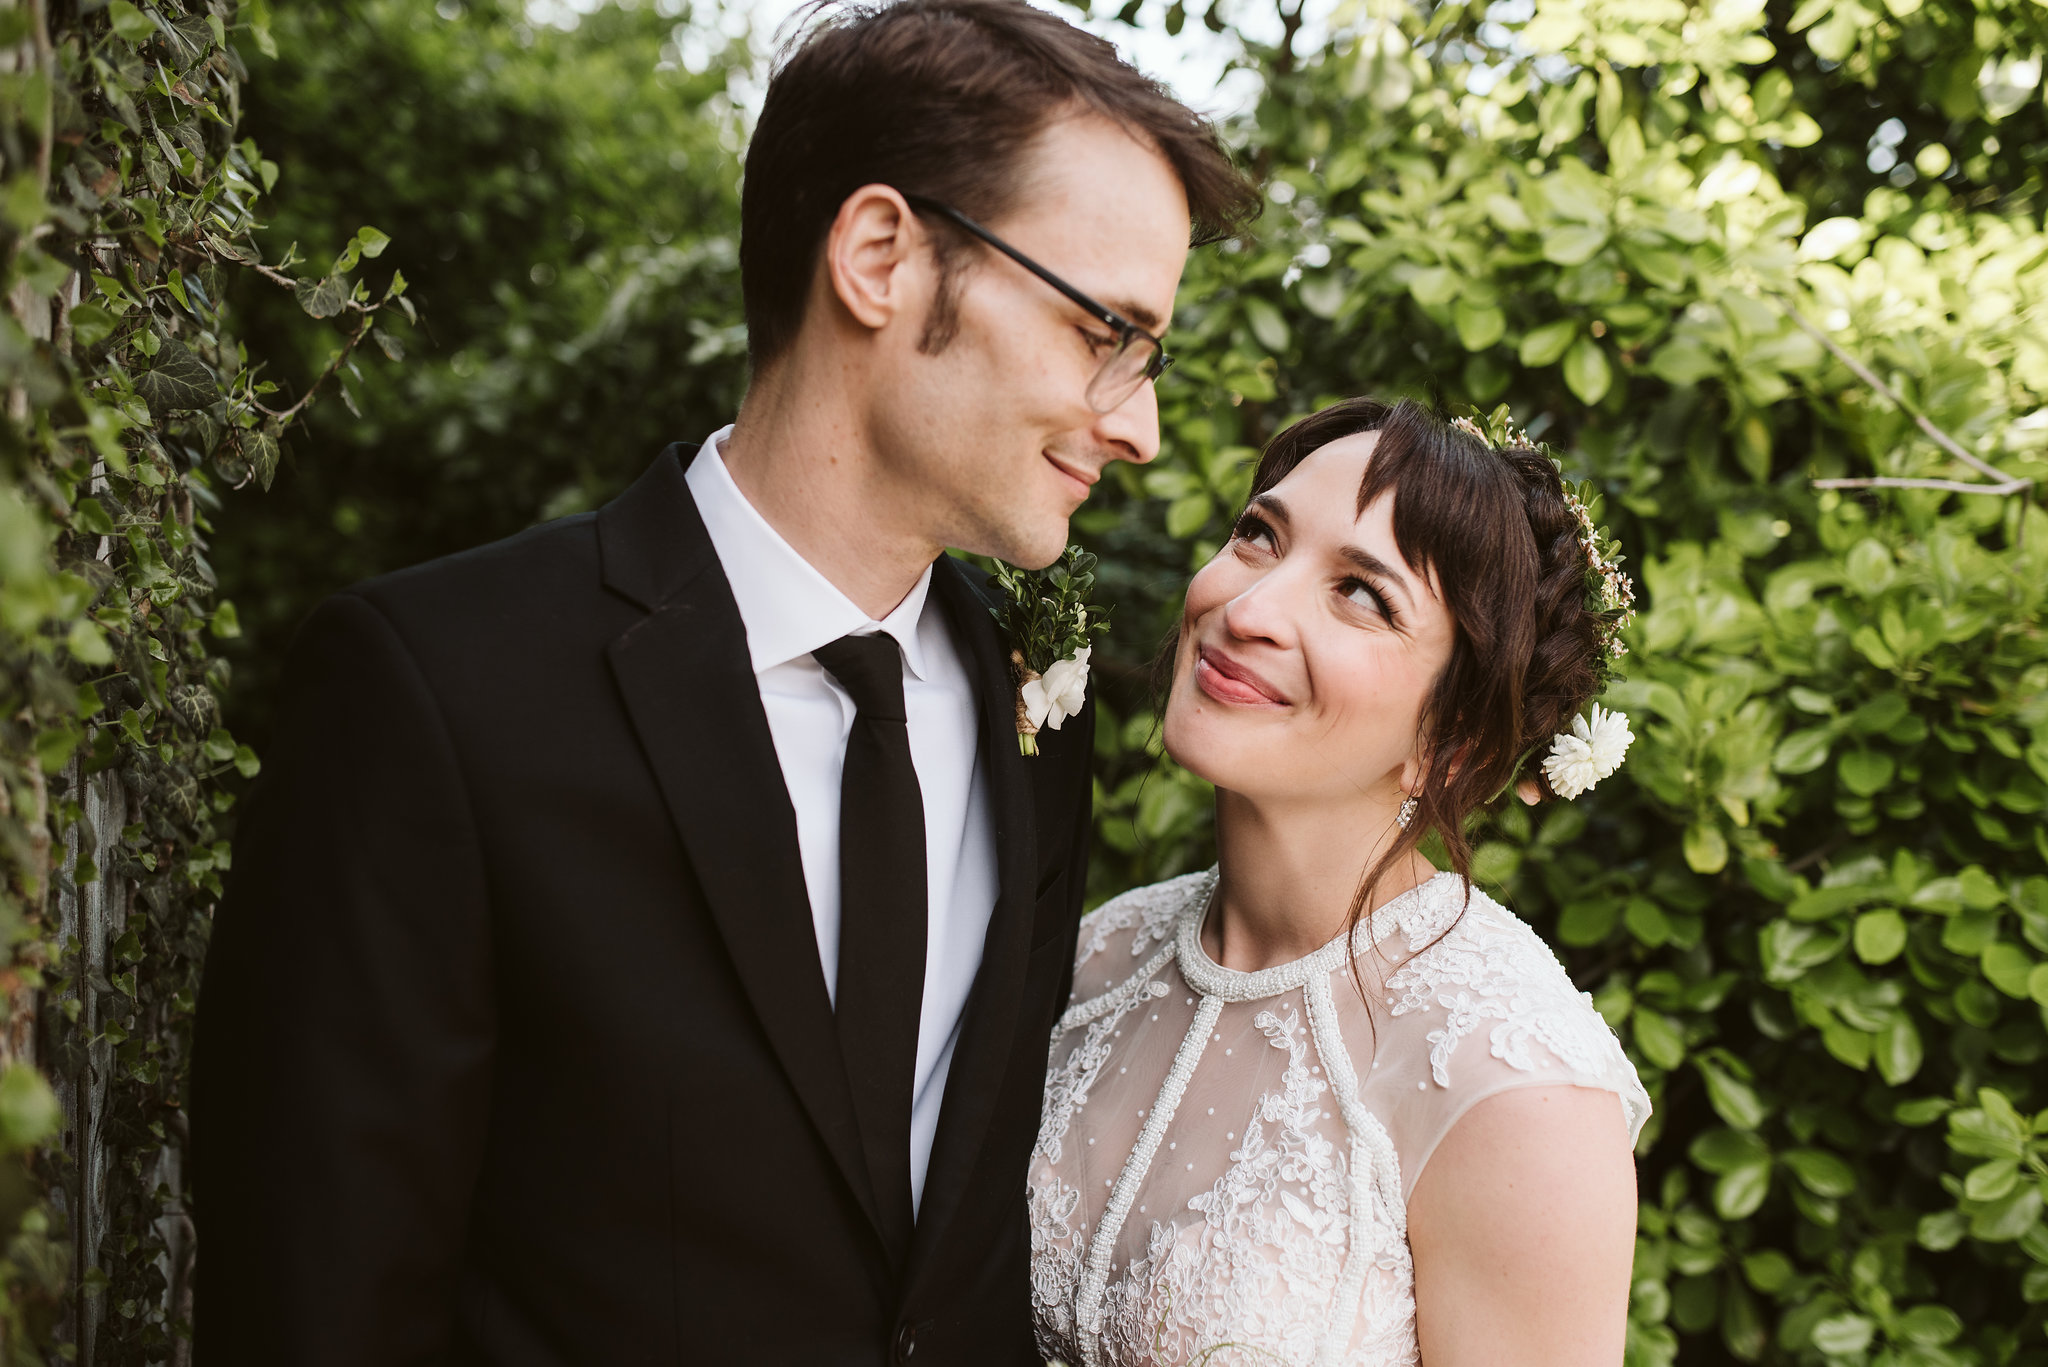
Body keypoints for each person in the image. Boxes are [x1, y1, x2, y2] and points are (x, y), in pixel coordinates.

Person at [189, 2, 1256, 1361]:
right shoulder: (438, 690)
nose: (1139, 421)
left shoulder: (1032, 704)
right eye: (1107, 328)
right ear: (879, 255)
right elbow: (313, 1300)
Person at [1031, 398, 1650, 1367]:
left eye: (1361, 593)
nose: (1245, 610)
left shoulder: (1513, 1086)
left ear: (1453, 742)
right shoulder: (1097, 953)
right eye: (1256, 534)